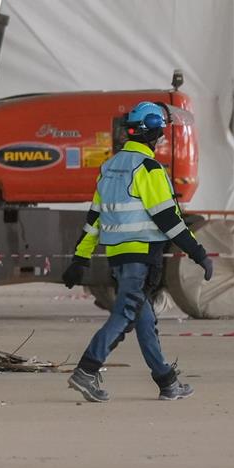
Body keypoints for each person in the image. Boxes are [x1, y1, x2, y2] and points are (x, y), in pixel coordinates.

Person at [60, 101, 214, 403]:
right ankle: (87, 370)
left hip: (118, 256)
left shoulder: (110, 167)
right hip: (142, 256)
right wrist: (198, 253)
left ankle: (166, 382)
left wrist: (80, 258)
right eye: (160, 134)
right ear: (150, 135)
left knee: (144, 319)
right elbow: (169, 219)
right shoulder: (149, 169)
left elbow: (94, 218)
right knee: (125, 314)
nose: (162, 140)